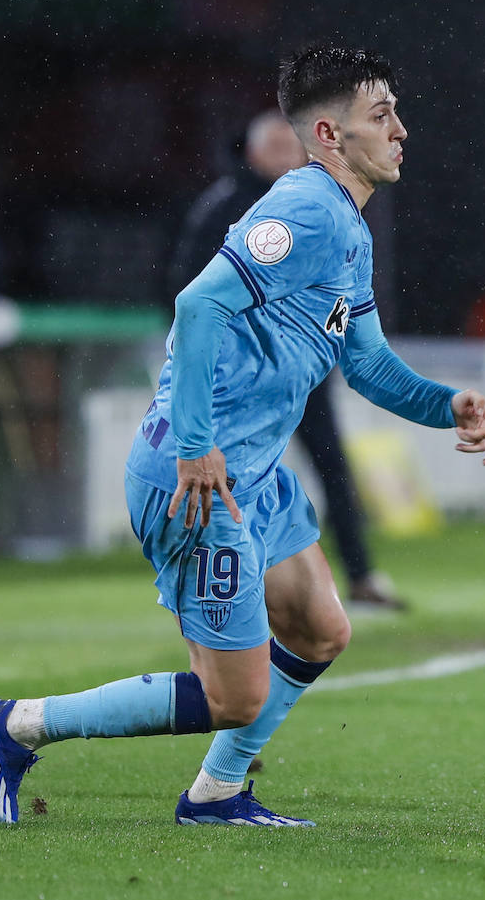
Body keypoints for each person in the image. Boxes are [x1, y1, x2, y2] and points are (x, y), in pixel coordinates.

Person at [0, 45, 485, 827]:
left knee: (321, 626)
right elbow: (198, 304)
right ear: (327, 133)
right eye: (381, 117)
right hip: (196, 478)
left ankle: (217, 793)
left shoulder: (348, 227)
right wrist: (194, 443)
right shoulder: (305, 209)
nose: (401, 131)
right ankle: (14, 725)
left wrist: (446, 404)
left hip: (252, 476)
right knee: (232, 693)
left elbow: (370, 365)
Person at [168, 110, 406, 609]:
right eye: (273, 147)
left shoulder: (320, 206)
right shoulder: (225, 207)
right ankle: (202, 577)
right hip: (235, 378)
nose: (284, 156)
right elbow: (189, 291)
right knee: (220, 474)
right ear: (252, 153)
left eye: (289, 147)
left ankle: (360, 574)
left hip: (301, 373)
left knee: (332, 468)